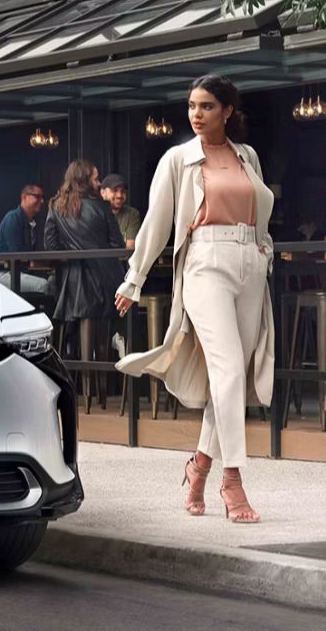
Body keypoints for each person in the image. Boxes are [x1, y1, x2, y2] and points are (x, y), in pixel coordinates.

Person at [113, 75, 275, 524]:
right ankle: (232, 480)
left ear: (227, 111)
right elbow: (157, 222)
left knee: (231, 378)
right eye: (191, 106)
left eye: (206, 106)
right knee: (227, 369)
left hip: (249, 265)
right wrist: (134, 278)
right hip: (205, 264)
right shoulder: (178, 159)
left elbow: (258, 212)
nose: (196, 114)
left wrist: (263, 251)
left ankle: (198, 466)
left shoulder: (247, 156)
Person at [44, 159, 124, 328]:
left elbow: (50, 246)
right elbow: (118, 245)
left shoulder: (55, 206)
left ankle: (73, 344)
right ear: (83, 181)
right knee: (103, 324)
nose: (99, 183)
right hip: (104, 280)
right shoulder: (102, 207)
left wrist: (70, 256)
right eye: (95, 179)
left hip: (70, 282)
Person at [0, 184, 51, 295]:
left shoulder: (32, 223)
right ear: (24, 197)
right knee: (43, 285)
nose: (42, 201)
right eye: (37, 197)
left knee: (53, 281)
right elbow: (17, 253)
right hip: (5, 273)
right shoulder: (13, 218)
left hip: (20, 272)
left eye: (42, 197)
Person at [100, 174, 141, 249]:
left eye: (123, 191)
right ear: (103, 193)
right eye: (114, 190)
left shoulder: (131, 214)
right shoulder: (95, 213)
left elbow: (129, 248)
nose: (119, 195)